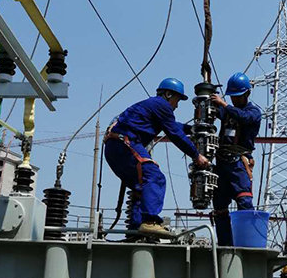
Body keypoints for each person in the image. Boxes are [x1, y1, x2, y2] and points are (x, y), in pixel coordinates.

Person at [104, 78, 210, 238]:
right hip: (124, 144)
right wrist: (196, 155)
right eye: (177, 100)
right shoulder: (161, 105)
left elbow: (173, 126)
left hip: (115, 148)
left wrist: (192, 129)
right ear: (168, 94)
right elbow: (175, 133)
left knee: (142, 187)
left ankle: (136, 232)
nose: (176, 105)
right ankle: (150, 222)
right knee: (154, 176)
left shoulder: (154, 107)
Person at [210, 72, 262, 246]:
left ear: (247, 94)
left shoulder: (253, 112)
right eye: (232, 97)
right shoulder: (228, 111)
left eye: (237, 96)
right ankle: (225, 245)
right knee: (220, 206)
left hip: (239, 162)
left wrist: (224, 104)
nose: (234, 100)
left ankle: (247, 243)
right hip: (222, 163)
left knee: (244, 201)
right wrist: (208, 98)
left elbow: (243, 117)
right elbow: (219, 111)